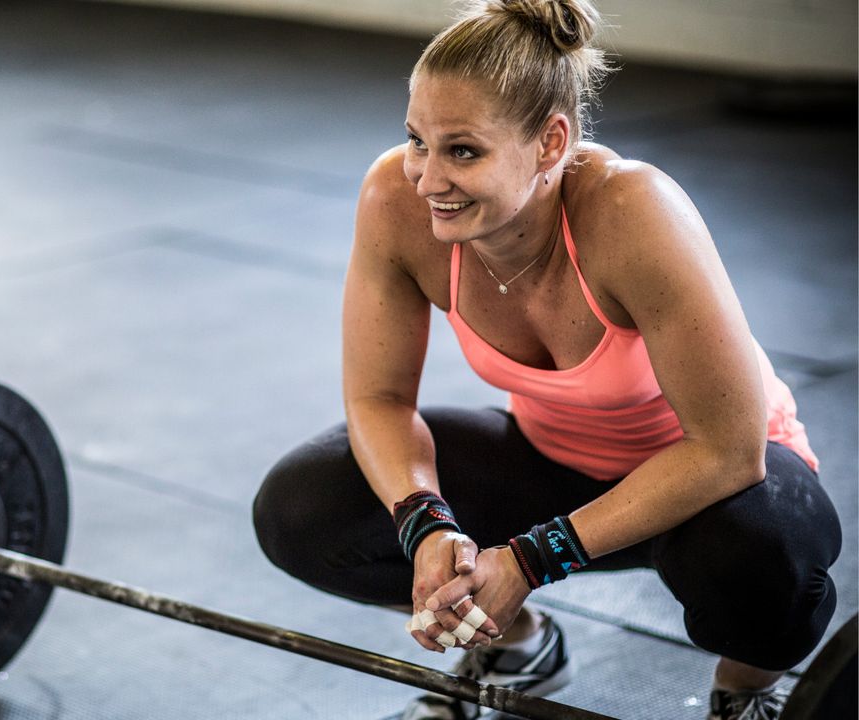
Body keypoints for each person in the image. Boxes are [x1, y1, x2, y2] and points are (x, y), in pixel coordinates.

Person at [251, 1, 843, 718]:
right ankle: (519, 649)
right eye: (416, 140)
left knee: (759, 554)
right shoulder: (396, 202)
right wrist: (427, 524)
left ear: (550, 143)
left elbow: (727, 452)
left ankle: (745, 693)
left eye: (462, 151)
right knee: (305, 509)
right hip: (555, 463)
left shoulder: (634, 213)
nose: (426, 177)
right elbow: (378, 399)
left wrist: (532, 558)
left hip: (712, 488)